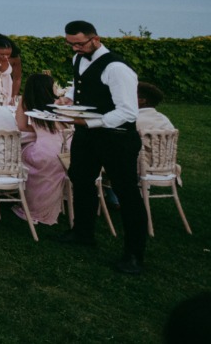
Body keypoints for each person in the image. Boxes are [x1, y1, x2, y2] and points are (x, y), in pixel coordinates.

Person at [58, 20, 146, 275]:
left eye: (80, 44)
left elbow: (128, 112)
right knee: (81, 180)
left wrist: (92, 122)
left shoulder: (117, 68)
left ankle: (134, 255)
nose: (75, 49)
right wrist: (68, 98)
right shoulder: (78, 59)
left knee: (126, 192)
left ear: (96, 38)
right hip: (87, 135)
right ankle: (83, 233)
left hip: (117, 138)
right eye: (70, 44)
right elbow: (80, 85)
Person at [14, 73, 68, 226]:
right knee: (48, 164)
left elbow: (21, 126)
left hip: (42, 151)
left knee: (22, 155)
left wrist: (38, 130)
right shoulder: (58, 102)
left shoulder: (27, 101)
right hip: (64, 150)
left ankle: (29, 205)